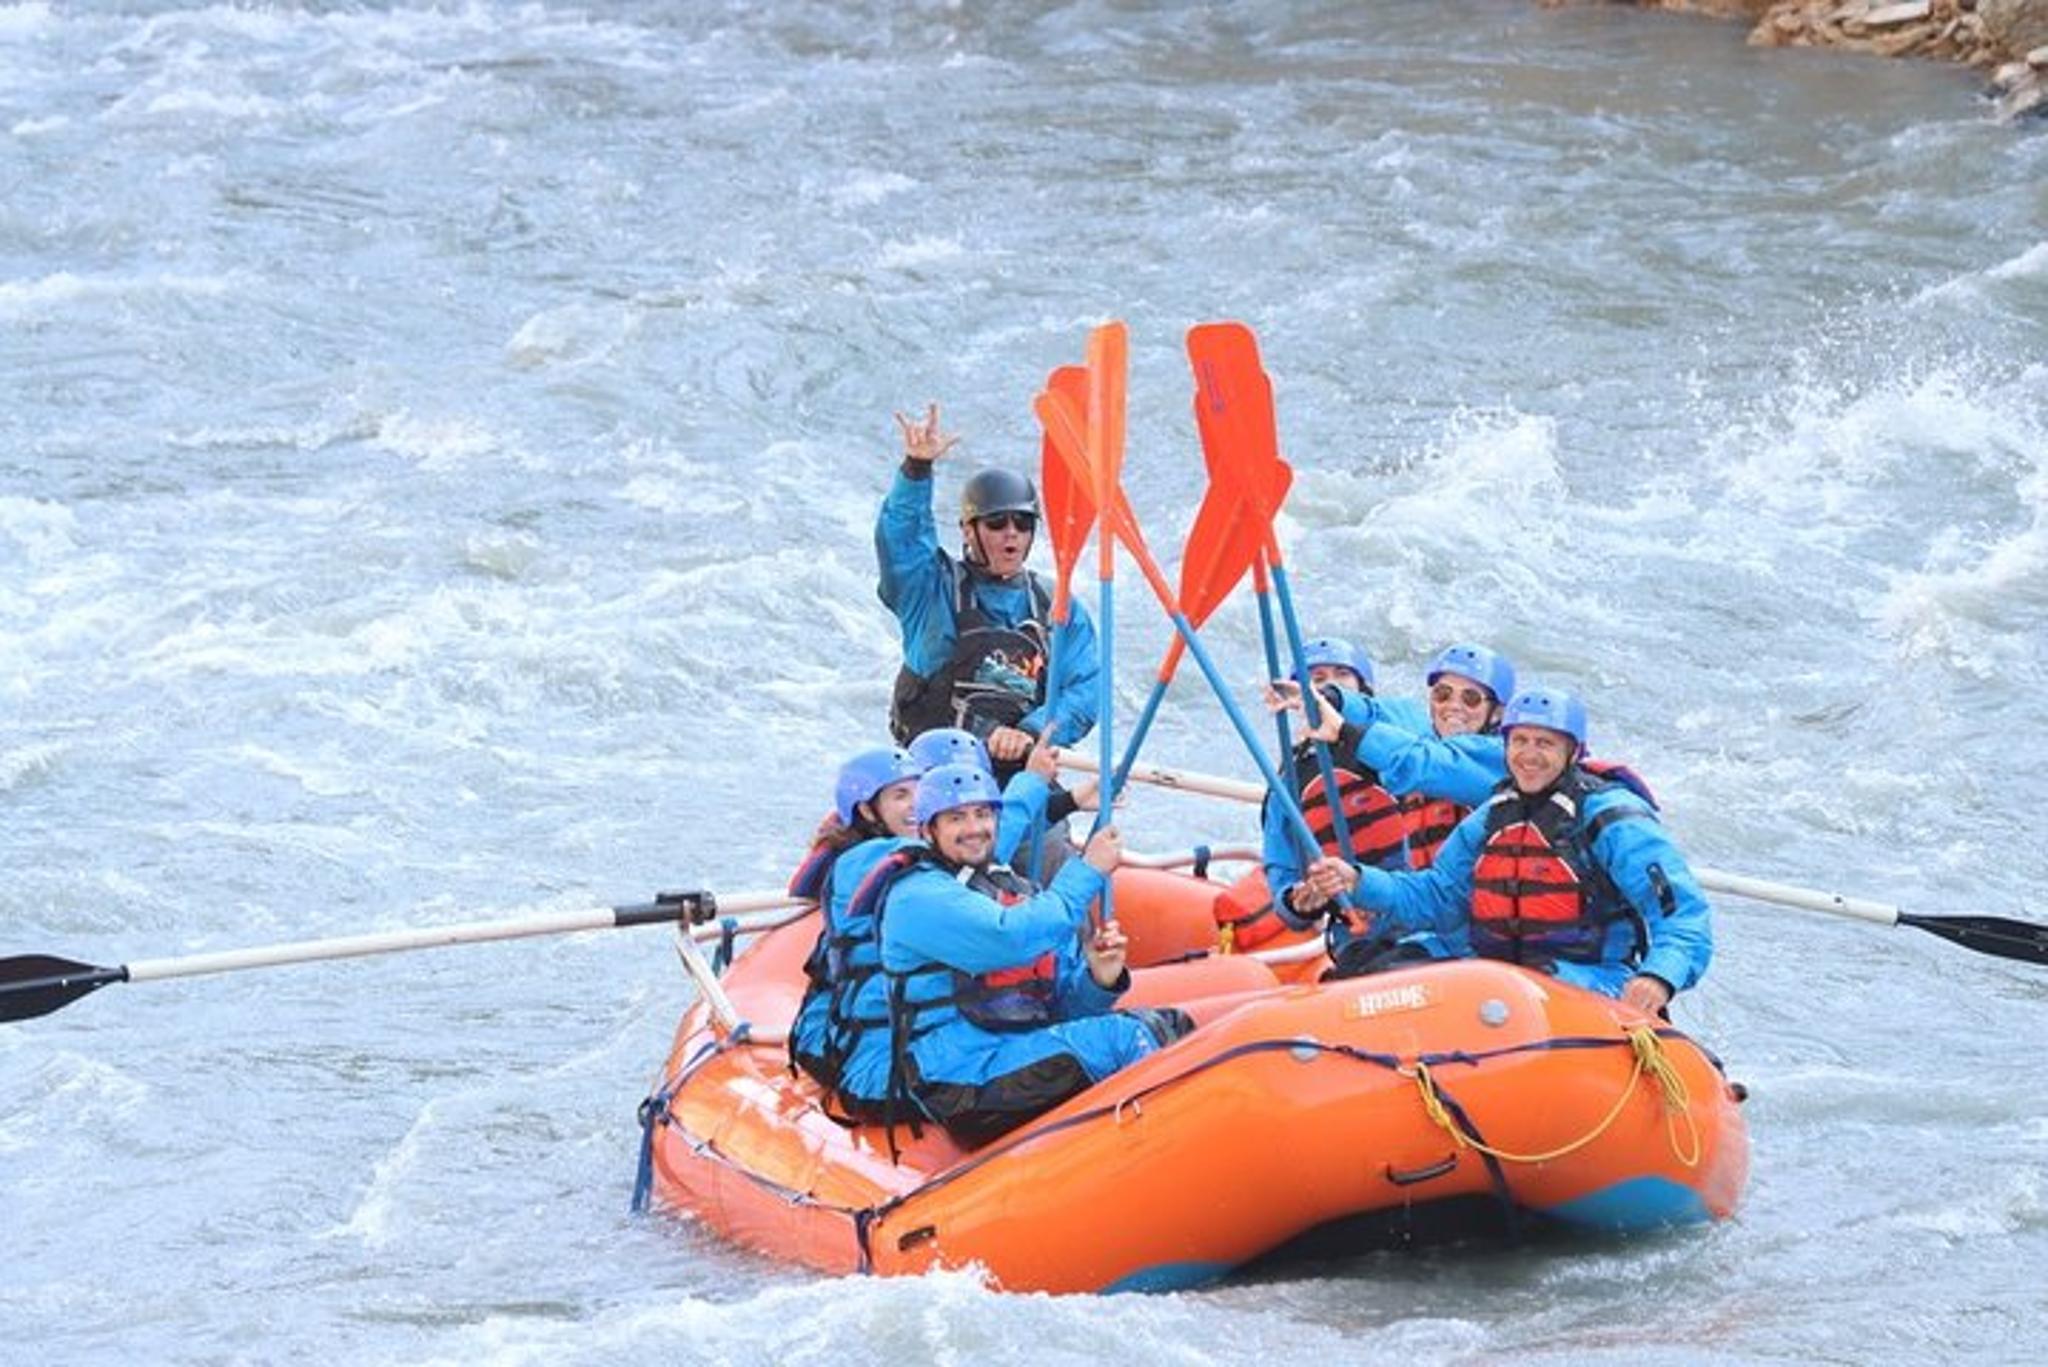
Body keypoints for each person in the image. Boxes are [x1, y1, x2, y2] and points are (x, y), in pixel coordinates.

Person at [834, 763, 1190, 1147]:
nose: (974, 828)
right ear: (928, 831)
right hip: (952, 1074)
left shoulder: (1015, 890)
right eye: (956, 818)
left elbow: (1061, 1010)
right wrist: (1086, 871)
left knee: (1173, 1025)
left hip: (1008, 1051)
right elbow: (1009, 938)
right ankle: (1163, 1155)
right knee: (1127, 1038)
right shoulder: (917, 897)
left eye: (983, 814)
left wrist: (1099, 979)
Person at [1308, 685, 1713, 1013]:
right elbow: (1436, 897)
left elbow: (1683, 914)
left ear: (1573, 753)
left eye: (1545, 744)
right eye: (1519, 741)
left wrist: (1659, 977)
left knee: (1518, 989)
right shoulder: (1491, 817)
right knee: (1364, 968)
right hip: (1489, 971)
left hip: (1587, 976)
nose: (1529, 756)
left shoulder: (1613, 820)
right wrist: (1359, 880)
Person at [876, 404, 1100, 778]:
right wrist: (916, 471)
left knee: (1054, 836)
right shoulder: (930, 589)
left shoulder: (1056, 607)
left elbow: (1085, 690)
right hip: (934, 778)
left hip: (1018, 773)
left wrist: (1032, 731)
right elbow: (903, 541)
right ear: (968, 531)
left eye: (1023, 522)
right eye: (996, 522)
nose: (1011, 532)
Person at [1256, 636, 1430, 968]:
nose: (1327, 686)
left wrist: (1336, 704)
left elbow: (1420, 729)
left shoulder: (1400, 737)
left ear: (1362, 688)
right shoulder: (1291, 780)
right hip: (1359, 937)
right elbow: (1282, 874)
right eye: (1317, 679)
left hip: (1426, 918)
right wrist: (1298, 902)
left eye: (1340, 675)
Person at [786, 745, 926, 1090]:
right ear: (868, 810)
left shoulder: (893, 853)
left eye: (921, 791)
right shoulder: (868, 860)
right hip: (862, 1041)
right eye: (901, 795)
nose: (917, 804)